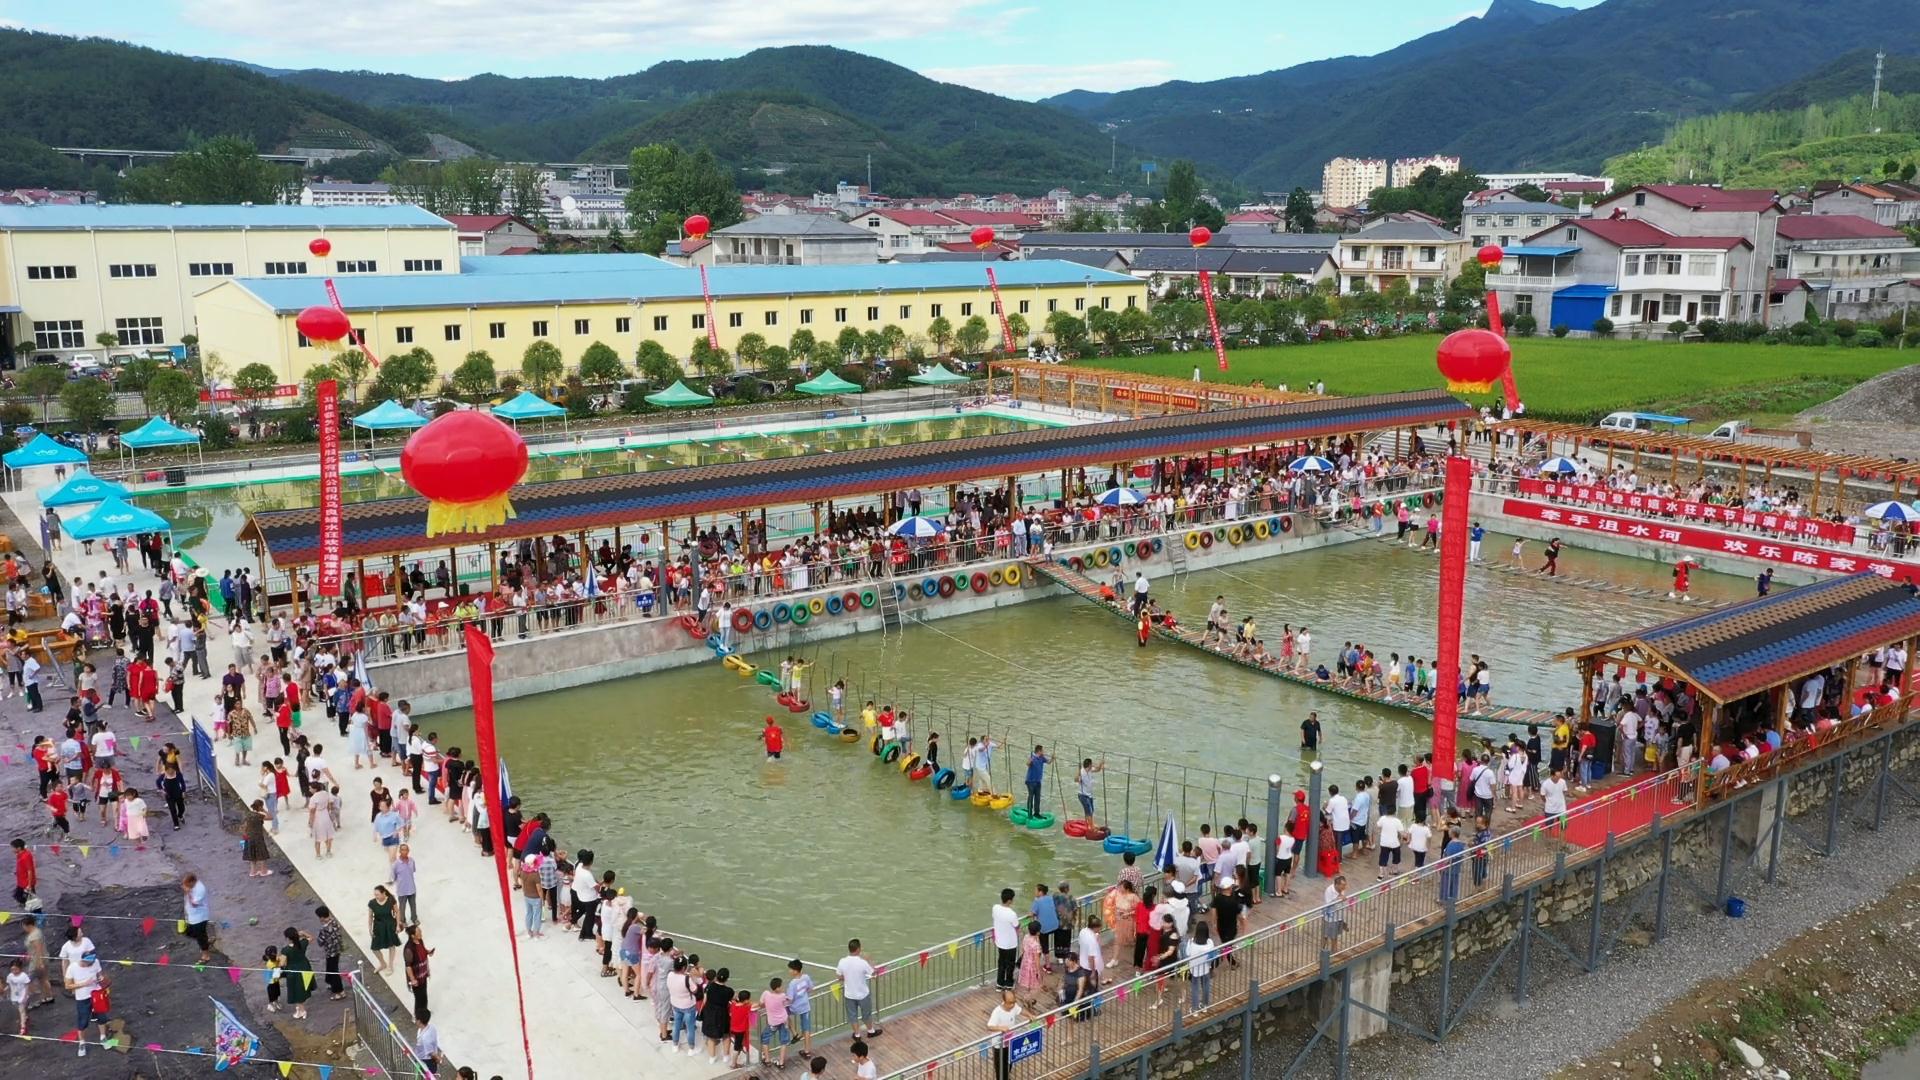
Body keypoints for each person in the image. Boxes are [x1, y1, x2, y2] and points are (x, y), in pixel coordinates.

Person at [836, 938, 880, 1038]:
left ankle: (857, 1034)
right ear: (858, 949)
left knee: (852, 1016)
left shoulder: (842, 961)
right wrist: (869, 960)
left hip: (849, 994)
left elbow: (838, 976)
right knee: (866, 1014)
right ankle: (871, 1031)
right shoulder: (862, 962)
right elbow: (873, 973)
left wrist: (847, 977)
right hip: (863, 994)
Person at [987, 989, 1024, 1080]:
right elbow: (989, 1026)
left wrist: (1030, 1015)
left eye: (1014, 1002)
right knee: (1000, 1066)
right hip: (999, 1044)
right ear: (1004, 1001)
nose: (1012, 1005)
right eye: (1010, 1003)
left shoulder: (1014, 1006)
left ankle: (1006, 1076)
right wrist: (1001, 1028)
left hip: (1010, 1041)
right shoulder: (997, 1012)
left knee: (1009, 1061)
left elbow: (1020, 1010)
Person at [991, 887, 1020, 990]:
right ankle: (1009, 984)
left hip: (1000, 942)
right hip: (1010, 944)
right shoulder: (1012, 914)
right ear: (1009, 901)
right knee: (1010, 964)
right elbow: (1016, 925)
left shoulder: (995, 908)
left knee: (1001, 963)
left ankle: (999, 984)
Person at [282, 926, 313, 1021]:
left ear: (287, 938)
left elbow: (282, 963)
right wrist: (303, 933)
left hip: (293, 971)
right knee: (302, 988)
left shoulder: (286, 950)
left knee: (296, 991)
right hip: (305, 967)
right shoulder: (302, 943)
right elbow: (311, 938)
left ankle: (302, 1010)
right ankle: (299, 1008)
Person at [368, 884, 402, 973]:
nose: (376, 896)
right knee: (374, 948)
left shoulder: (391, 900)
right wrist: (370, 929)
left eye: (377, 894)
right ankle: (383, 963)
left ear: (383, 893)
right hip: (378, 927)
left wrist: (398, 925)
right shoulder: (372, 903)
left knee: (391, 945)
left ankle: (390, 965)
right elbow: (370, 917)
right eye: (375, 894)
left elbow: (397, 912)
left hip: (390, 925)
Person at [785, 958, 815, 1057]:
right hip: (805, 1006)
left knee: (784, 1013)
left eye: (790, 969)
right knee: (806, 1029)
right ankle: (807, 1051)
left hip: (795, 1007)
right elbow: (810, 988)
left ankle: (794, 1033)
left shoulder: (792, 983)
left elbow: (790, 999)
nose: (789, 971)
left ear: (795, 971)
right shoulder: (806, 977)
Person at [1184, 920, 1215, 1013]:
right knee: (1206, 986)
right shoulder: (1210, 942)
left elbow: (1187, 953)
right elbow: (1212, 954)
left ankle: (1195, 1009)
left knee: (1195, 988)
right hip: (1206, 968)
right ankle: (1205, 1005)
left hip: (1194, 969)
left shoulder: (1191, 942)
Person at [403, 923, 433, 1017]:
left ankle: (424, 1013)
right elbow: (408, 966)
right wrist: (412, 979)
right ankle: (418, 1017)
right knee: (419, 998)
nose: (421, 933)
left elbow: (422, 950)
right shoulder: (409, 949)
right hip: (416, 978)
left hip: (423, 975)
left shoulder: (420, 941)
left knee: (424, 996)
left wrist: (428, 952)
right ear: (413, 936)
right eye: (418, 932)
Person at [181, 873, 212, 963]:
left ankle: (206, 956)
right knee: (188, 932)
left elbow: (194, 904)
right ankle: (206, 942)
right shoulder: (191, 886)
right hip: (192, 916)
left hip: (199, 917)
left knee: (200, 937)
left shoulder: (200, 889)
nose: (185, 886)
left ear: (192, 882)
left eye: (187, 884)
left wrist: (188, 893)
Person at [317, 906, 346, 999]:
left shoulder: (324, 930)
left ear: (321, 917)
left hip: (331, 952)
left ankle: (339, 991)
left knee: (334, 971)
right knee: (330, 967)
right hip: (337, 949)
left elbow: (320, 942)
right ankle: (330, 982)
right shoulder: (334, 922)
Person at [242, 799, 273, 876]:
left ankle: (253, 872)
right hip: (258, 837)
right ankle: (263, 871)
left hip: (249, 837)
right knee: (262, 854)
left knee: (252, 854)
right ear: (260, 807)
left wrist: (245, 834)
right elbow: (271, 817)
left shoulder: (248, 814)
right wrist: (264, 810)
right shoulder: (259, 816)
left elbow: (245, 826)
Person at [393, 844, 420, 926]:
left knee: (413, 905)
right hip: (402, 890)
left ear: (408, 851)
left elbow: (413, 871)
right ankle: (403, 921)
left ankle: (414, 918)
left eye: (406, 850)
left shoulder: (412, 861)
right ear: (399, 851)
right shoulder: (396, 864)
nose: (404, 851)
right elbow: (394, 876)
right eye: (402, 850)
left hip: (411, 888)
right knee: (402, 907)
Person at [1023, 746, 1050, 818]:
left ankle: (1036, 813)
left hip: (1038, 781)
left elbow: (1048, 762)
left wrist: (1053, 758)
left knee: (1037, 798)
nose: (1043, 752)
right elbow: (1028, 764)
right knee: (1031, 796)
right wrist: (1030, 761)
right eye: (1042, 751)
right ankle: (1029, 812)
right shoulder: (1032, 757)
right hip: (1030, 781)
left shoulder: (1042, 758)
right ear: (1039, 751)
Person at [413, 1008, 442, 1075]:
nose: (414, 1020)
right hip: (423, 1056)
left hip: (426, 1061)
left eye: (415, 1018)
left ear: (419, 1021)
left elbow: (431, 1053)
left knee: (426, 1075)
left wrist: (438, 1059)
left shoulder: (425, 1037)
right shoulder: (431, 1027)